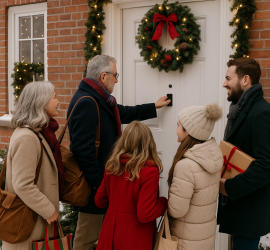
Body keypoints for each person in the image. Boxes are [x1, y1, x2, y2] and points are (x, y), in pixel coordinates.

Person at [67, 55, 170, 250]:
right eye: (116, 75)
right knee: (85, 241)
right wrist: (102, 185)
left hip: (104, 190)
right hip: (93, 191)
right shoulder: (87, 102)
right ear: (103, 76)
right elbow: (82, 152)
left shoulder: (100, 99)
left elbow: (125, 113)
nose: (117, 79)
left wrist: (153, 107)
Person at [3, 81, 62, 250]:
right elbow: (23, 184)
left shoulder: (37, 133)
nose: (58, 101)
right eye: (54, 97)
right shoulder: (28, 138)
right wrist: (48, 210)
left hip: (34, 222)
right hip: (29, 225)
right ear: (41, 103)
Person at [218, 58, 270, 250]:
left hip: (249, 212)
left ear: (245, 79)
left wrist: (229, 187)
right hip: (239, 210)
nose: (224, 84)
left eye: (228, 78)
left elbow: (266, 166)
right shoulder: (240, 110)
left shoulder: (261, 113)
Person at [94, 121, 167, 250]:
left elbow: (99, 201)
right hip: (136, 237)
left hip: (110, 234)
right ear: (149, 143)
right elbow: (145, 214)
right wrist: (163, 203)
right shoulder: (149, 171)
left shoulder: (112, 166)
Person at [167, 103, 223, 250]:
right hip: (205, 238)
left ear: (188, 132)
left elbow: (177, 210)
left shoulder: (186, 166)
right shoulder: (213, 159)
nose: (176, 129)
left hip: (186, 241)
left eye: (178, 125)